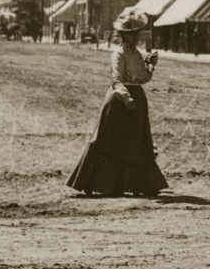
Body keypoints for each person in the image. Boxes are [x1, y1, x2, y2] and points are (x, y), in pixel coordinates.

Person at [67, 12, 169, 198]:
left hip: (137, 98)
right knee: (109, 142)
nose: (136, 36)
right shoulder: (118, 54)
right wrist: (127, 99)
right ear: (123, 35)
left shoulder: (137, 54)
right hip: (119, 102)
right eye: (132, 33)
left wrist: (150, 66)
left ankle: (143, 184)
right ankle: (97, 183)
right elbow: (116, 80)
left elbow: (143, 78)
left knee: (138, 142)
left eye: (137, 32)